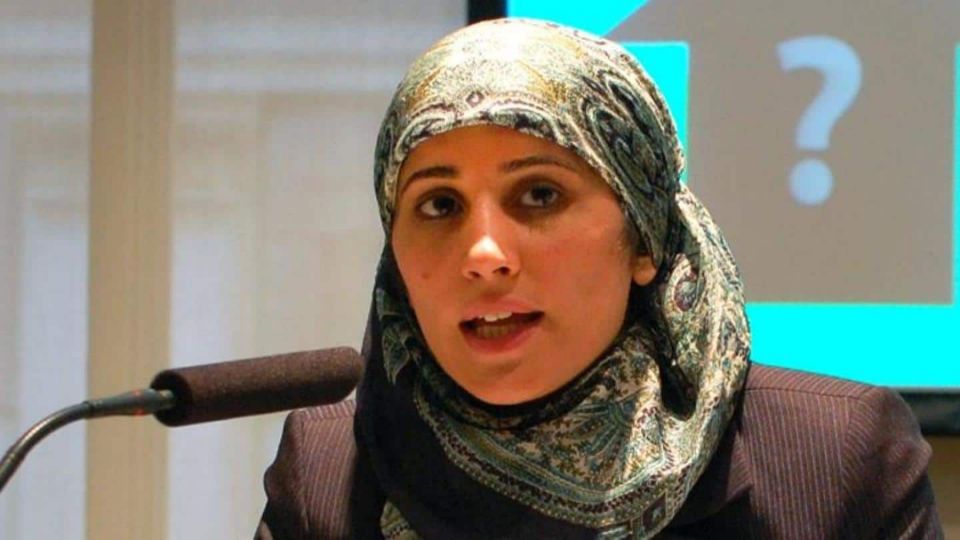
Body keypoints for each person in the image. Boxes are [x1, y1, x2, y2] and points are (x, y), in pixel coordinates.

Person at [256, 18, 941, 539]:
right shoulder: (326, 470)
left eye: (539, 195)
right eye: (439, 205)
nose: (484, 253)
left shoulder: (836, 457)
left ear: (644, 238)